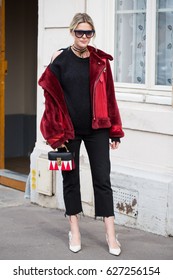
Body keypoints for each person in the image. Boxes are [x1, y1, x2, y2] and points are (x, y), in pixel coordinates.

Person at [39, 13, 124, 256]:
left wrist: (115, 131)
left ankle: (110, 233)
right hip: (68, 132)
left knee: (102, 179)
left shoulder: (100, 61)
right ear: (72, 32)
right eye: (80, 32)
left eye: (88, 32)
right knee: (70, 179)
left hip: (98, 129)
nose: (84, 36)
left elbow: (110, 97)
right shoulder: (60, 59)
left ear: (92, 33)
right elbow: (51, 100)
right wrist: (54, 132)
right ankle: (74, 230)